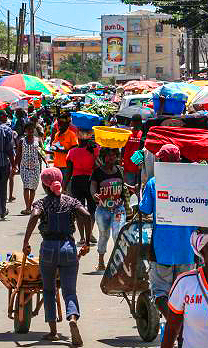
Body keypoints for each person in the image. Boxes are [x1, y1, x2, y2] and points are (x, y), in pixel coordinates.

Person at [22, 167, 92, 346]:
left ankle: (53, 331)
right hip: (68, 248)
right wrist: (86, 241)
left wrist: (26, 241)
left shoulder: (41, 203)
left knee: (49, 290)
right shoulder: (71, 201)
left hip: (48, 250)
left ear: (45, 187)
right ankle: (72, 318)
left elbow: (34, 216)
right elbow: (86, 215)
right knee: (69, 290)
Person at [138, 144, 197, 318]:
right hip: (187, 249)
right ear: (179, 160)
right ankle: (182, 326)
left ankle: (174, 324)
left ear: (160, 161)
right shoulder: (193, 183)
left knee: (160, 292)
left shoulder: (153, 183)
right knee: (185, 293)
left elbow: (145, 209)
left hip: (162, 248)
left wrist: (140, 194)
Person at [90, 147, 131, 271]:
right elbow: (93, 187)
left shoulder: (120, 170)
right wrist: (94, 195)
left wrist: (132, 187)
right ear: (103, 157)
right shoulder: (97, 172)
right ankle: (101, 262)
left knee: (118, 234)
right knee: (104, 235)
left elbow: (122, 185)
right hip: (103, 210)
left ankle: (118, 264)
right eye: (108, 155)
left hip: (119, 209)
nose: (111, 158)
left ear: (117, 156)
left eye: (113, 155)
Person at [65, 133, 99, 245]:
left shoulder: (72, 152)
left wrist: (63, 186)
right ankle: (89, 234)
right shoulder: (95, 150)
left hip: (76, 182)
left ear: (78, 139)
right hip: (90, 182)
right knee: (92, 210)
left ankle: (82, 237)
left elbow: (68, 172)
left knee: (79, 210)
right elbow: (97, 167)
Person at [16, 121, 44, 215]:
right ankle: (27, 207)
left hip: (36, 167)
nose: (30, 131)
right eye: (28, 129)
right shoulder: (21, 141)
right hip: (24, 167)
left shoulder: (38, 140)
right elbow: (18, 154)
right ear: (25, 130)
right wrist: (15, 165)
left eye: (32, 129)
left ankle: (29, 206)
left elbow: (41, 153)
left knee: (33, 188)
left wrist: (46, 162)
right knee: (26, 187)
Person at [51, 111, 79, 185]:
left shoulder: (71, 135)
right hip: (56, 165)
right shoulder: (57, 134)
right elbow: (54, 145)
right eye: (58, 124)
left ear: (67, 124)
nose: (59, 126)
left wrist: (61, 151)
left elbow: (74, 150)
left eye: (61, 124)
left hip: (66, 167)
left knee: (65, 188)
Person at [122, 114, 144, 200]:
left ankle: (136, 208)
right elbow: (123, 147)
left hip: (138, 167)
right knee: (129, 189)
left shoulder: (142, 134)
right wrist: (122, 160)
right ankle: (129, 208)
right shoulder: (128, 133)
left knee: (138, 189)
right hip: (129, 166)